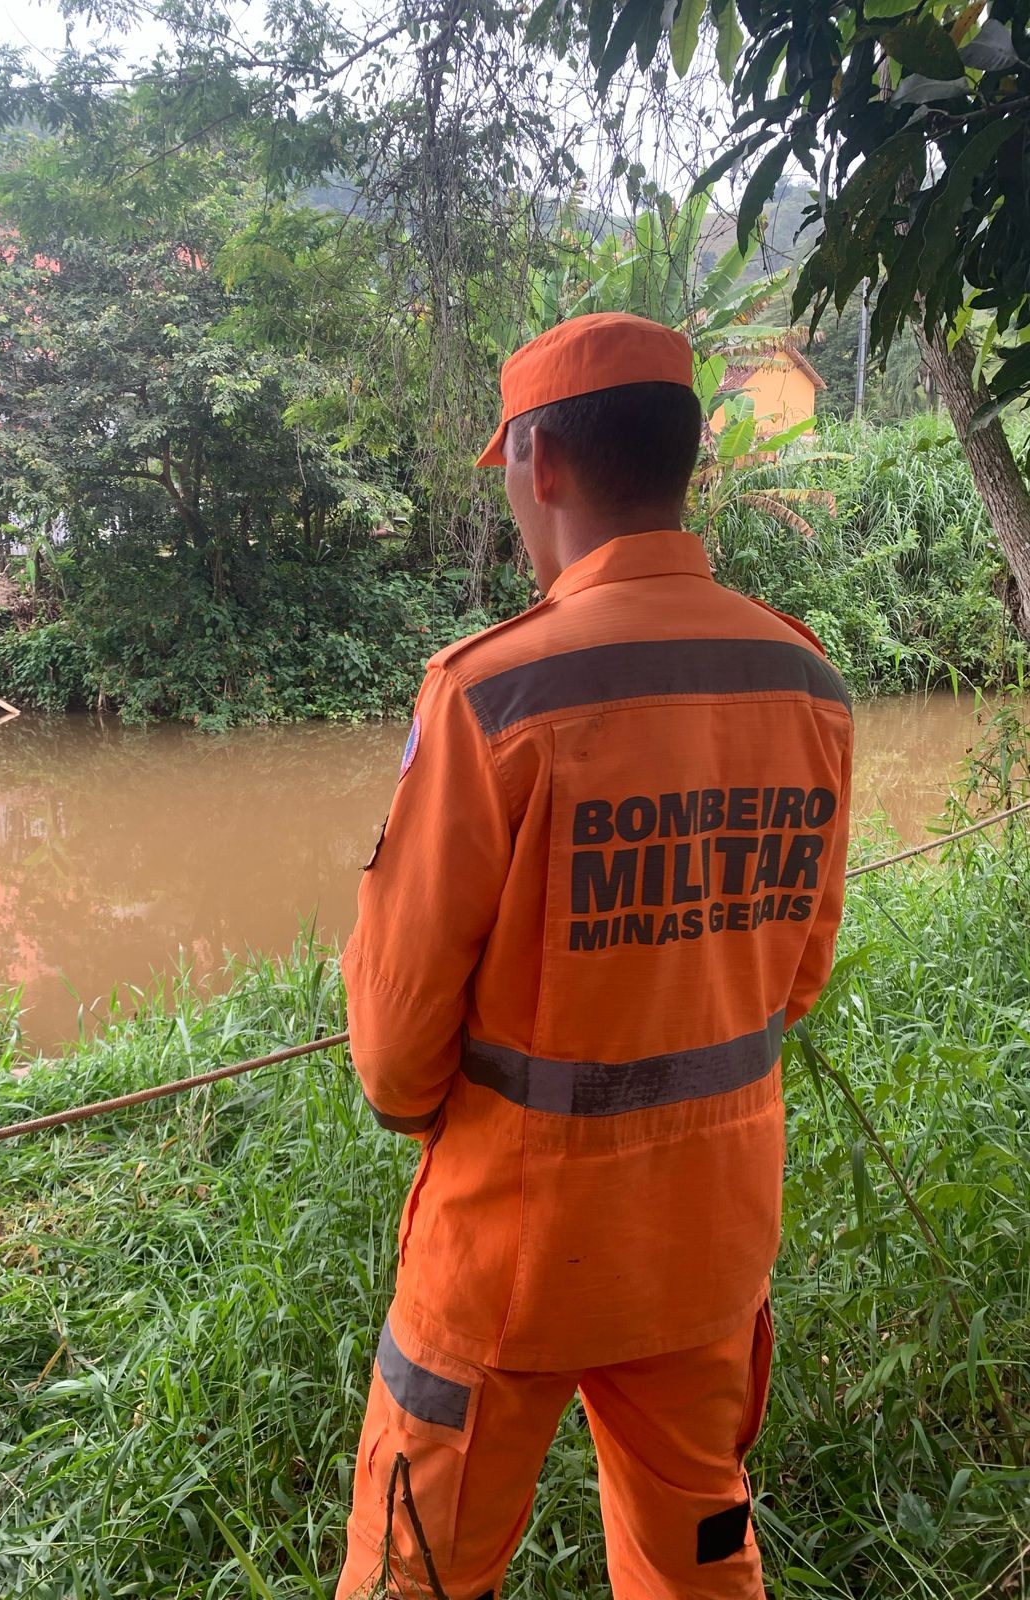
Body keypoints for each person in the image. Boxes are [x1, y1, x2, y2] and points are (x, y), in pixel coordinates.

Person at [335, 312, 854, 1600]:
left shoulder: (493, 693)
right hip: (707, 1239)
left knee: (419, 1563)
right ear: (684, 455)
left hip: (510, 1245)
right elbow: (798, 974)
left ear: (539, 461)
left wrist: (420, 1104)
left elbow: (400, 1041)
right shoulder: (808, 682)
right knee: (700, 1554)